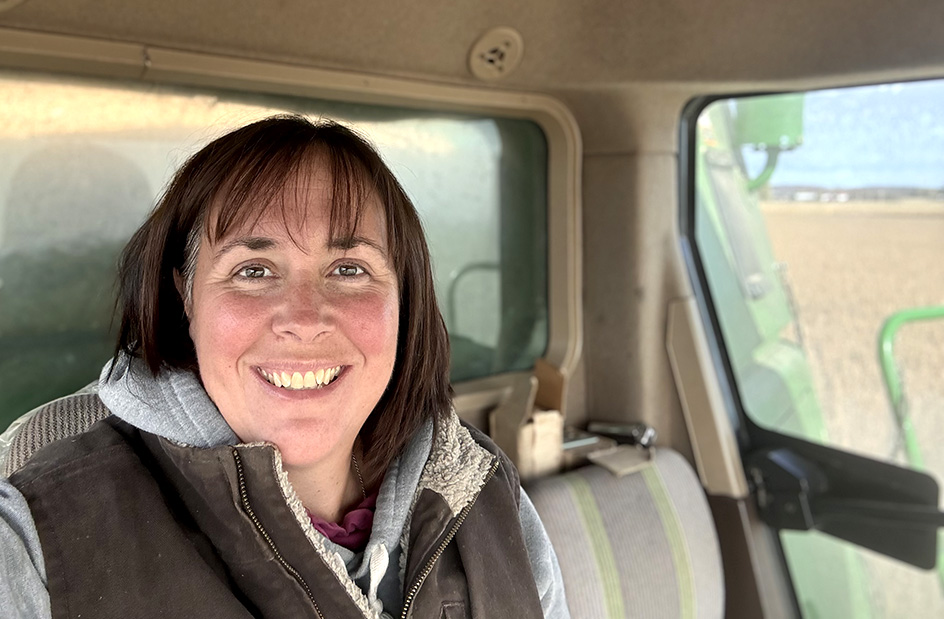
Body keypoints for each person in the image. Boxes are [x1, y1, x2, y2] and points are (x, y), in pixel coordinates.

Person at [0, 116, 569, 618]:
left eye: (349, 269)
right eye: (253, 270)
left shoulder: (482, 494)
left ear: (405, 300)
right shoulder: (39, 540)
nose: (304, 318)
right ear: (186, 298)